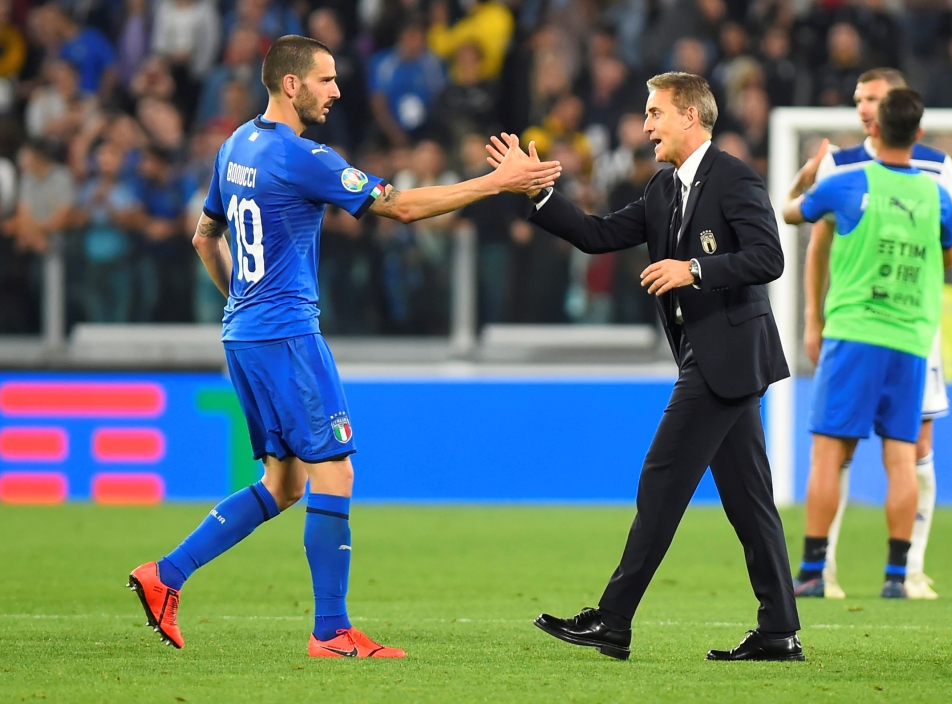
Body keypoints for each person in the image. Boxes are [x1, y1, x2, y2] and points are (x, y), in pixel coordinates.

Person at [127, 34, 560, 659]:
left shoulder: (234, 145)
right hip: (288, 335)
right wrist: (499, 182)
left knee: (282, 483)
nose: (337, 91)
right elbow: (404, 207)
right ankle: (331, 631)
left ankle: (165, 575)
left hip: (243, 335)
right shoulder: (304, 156)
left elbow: (203, 237)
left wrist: (239, 303)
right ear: (291, 84)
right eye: (326, 80)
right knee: (336, 469)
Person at [488, 72, 802, 662]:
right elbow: (596, 234)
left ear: (690, 115)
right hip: (712, 358)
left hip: (725, 358)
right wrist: (537, 193)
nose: (646, 124)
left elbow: (769, 257)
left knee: (662, 479)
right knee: (749, 500)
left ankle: (613, 620)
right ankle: (779, 631)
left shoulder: (735, 177)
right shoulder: (663, 189)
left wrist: (694, 270)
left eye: (655, 113)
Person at [797, 68, 952, 600]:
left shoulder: (937, 168)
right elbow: (819, 248)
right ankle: (831, 569)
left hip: (896, 329)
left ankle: (904, 570)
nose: (865, 108)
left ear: (894, 110)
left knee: (906, 445)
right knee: (861, 450)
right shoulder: (841, 162)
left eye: (875, 99)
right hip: (884, 327)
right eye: (859, 98)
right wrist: (813, 319)